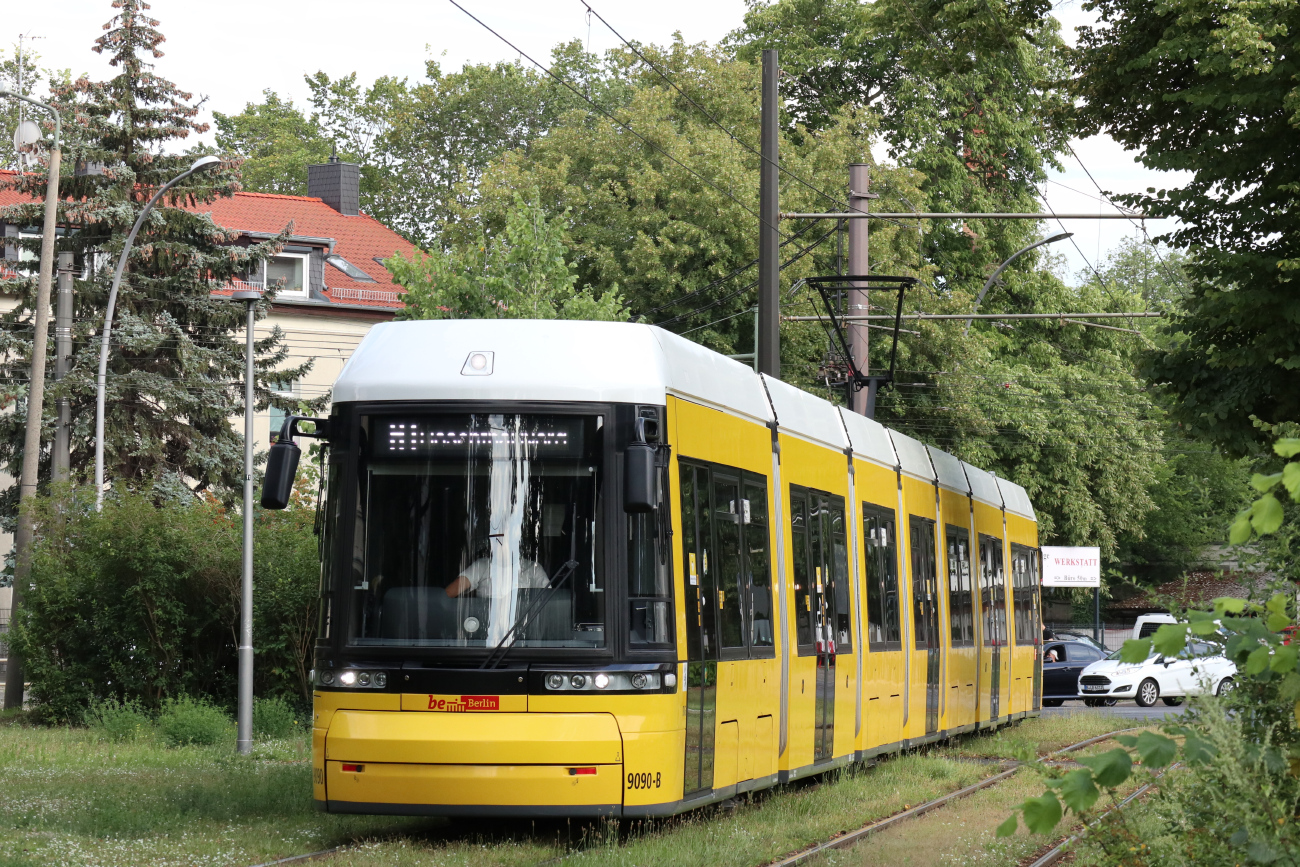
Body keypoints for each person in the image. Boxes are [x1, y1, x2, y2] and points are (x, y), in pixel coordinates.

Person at [445, 551, 549, 598]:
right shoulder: (482, 565)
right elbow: (449, 593)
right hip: (486, 631)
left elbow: (549, 598)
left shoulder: (533, 568)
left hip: (523, 631)